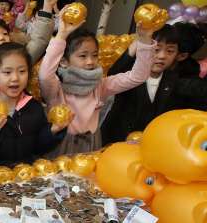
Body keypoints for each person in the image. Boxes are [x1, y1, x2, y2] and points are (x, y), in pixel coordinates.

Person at [101, 25, 207, 145]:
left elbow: (205, 88)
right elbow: (115, 72)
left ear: (178, 54)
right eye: (156, 49)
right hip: (114, 141)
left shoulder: (173, 80)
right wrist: (138, 40)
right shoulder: (129, 75)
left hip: (152, 144)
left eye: (170, 51)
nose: (162, 56)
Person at [38, 6, 156, 156]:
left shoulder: (99, 85)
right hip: (59, 145)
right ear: (63, 61)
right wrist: (61, 35)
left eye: (94, 55)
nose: (90, 61)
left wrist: (145, 40)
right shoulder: (55, 88)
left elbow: (137, 77)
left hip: (90, 145)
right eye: (83, 56)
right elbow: (44, 76)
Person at [0, 42, 69, 172]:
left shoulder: (34, 107)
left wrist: (52, 132)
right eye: (7, 72)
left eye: (22, 71)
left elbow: (39, 148)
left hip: (22, 179)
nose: (15, 78)